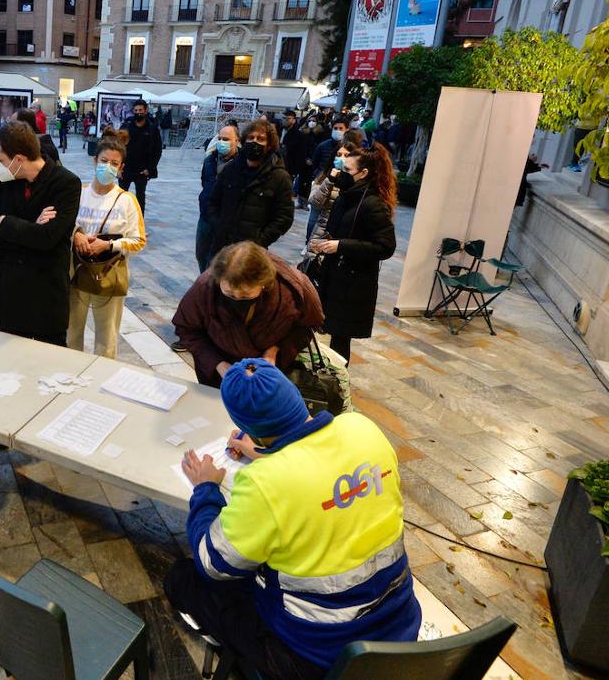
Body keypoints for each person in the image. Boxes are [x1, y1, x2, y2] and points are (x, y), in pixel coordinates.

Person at [166, 359, 421, 679]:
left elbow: (213, 563)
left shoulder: (266, 482)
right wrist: (266, 451)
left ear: (249, 428)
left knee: (184, 578)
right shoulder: (363, 428)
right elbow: (320, 466)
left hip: (314, 654)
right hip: (398, 622)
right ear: (294, 396)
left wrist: (205, 488)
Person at [0, 121, 81, 346]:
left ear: (19, 159)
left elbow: (47, 239)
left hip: (45, 293)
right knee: (10, 365)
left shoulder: (66, 183)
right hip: (8, 292)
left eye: (0, 160)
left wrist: (4, 221)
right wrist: (31, 226)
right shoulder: (5, 181)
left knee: (51, 364)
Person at [173, 241, 323, 387]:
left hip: (271, 371)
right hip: (220, 373)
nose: (237, 298)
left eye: (245, 296)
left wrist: (274, 350)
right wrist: (219, 364)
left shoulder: (293, 288)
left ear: (264, 283)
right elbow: (187, 329)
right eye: (230, 294)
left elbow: (307, 326)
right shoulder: (206, 286)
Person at [309, 144, 397, 363]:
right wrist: (326, 243)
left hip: (353, 284)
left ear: (364, 173)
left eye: (348, 170)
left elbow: (385, 247)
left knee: (340, 340)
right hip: (334, 275)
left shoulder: (373, 203)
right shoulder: (346, 196)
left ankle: (338, 385)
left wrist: (341, 245)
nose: (341, 173)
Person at [67, 132, 146, 358]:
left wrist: (108, 246)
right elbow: (64, 224)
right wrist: (77, 234)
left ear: (121, 167)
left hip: (109, 273)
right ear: (95, 161)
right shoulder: (78, 193)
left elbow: (138, 240)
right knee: (72, 329)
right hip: (77, 270)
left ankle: (103, 375)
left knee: (107, 334)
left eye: (114, 163)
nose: (108, 167)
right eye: (104, 161)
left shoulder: (127, 201)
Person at [207, 119, 294, 257]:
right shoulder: (230, 169)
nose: (254, 142)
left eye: (260, 139)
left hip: (251, 252)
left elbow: (284, 217)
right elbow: (213, 201)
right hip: (222, 246)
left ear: (269, 145)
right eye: (251, 138)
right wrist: (218, 226)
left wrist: (259, 241)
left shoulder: (279, 176)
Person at [305, 131, 364, 248]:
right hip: (321, 231)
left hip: (342, 236)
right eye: (338, 154)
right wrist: (330, 180)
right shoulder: (324, 177)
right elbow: (314, 201)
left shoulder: (357, 181)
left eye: (346, 155)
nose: (341, 159)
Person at [195, 125, 239, 274]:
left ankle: (211, 287)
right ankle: (205, 281)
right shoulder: (210, 160)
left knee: (216, 259)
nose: (221, 142)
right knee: (201, 254)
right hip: (206, 215)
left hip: (224, 219)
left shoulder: (240, 164)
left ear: (236, 140)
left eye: (226, 139)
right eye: (219, 138)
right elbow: (204, 181)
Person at [119, 100, 162, 213]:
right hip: (125, 170)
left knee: (140, 199)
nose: (138, 113)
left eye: (140, 110)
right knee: (121, 198)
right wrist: (118, 167)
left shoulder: (152, 129)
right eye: (136, 110)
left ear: (146, 111)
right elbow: (118, 147)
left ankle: (139, 224)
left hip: (142, 172)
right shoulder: (126, 127)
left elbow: (157, 151)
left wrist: (150, 169)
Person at [281, 111, 314, 210]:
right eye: (284, 118)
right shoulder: (280, 130)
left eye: (288, 118)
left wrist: (296, 170)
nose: (285, 120)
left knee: (286, 188)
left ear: (294, 120)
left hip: (290, 167)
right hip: (281, 164)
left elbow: (300, 153)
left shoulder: (298, 135)